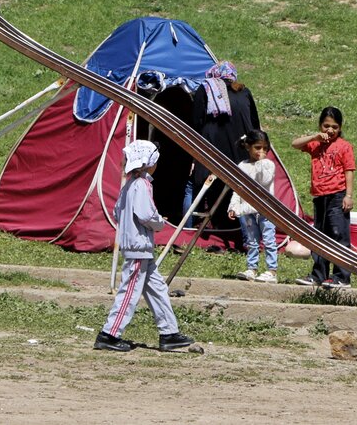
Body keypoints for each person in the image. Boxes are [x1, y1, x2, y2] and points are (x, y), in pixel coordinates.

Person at [94, 140, 196, 353]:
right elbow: (145, 214)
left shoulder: (130, 184)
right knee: (130, 291)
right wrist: (159, 222)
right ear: (150, 163)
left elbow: (117, 212)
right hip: (138, 246)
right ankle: (110, 333)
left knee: (157, 289)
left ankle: (169, 332)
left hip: (139, 246)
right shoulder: (141, 184)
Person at [184, 61, 262, 224]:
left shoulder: (206, 90)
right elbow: (255, 125)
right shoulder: (244, 92)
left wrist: (193, 157)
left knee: (194, 186)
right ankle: (247, 236)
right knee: (241, 191)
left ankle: (188, 230)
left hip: (211, 152)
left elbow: (196, 123)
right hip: (241, 154)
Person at [292, 106, 355, 288]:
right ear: (320, 125)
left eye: (335, 127)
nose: (330, 130)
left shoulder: (344, 146)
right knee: (319, 235)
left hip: (337, 195)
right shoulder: (315, 144)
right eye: (326, 126)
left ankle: (342, 277)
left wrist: (348, 195)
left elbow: (349, 171)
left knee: (338, 235)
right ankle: (318, 274)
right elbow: (295, 144)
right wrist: (314, 137)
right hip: (320, 196)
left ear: (340, 127)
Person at [227, 130, 278, 282]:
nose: (261, 152)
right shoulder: (242, 166)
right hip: (247, 210)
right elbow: (238, 188)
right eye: (257, 148)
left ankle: (272, 271)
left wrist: (261, 162)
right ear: (248, 147)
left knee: (269, 239)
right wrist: (233, 206)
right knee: (251, 240)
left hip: (265, 210)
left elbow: (265, 180)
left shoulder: (268, 164)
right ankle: (252, 268)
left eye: (265, 148)